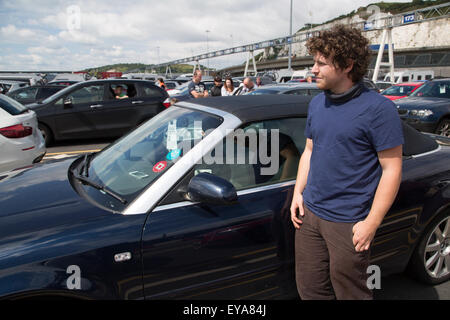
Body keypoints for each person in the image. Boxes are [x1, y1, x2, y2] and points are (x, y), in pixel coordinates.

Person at [290, 24, 404, 300]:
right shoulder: (318, 104)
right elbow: (309, 150)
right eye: (313, 62)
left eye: (321, 63)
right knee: (310, 291)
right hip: (310, 215)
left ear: (347, 64)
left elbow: (392, 169)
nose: (313, 69)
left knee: (351, 293)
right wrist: (297, 193)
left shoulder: (378, 109)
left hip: (348, 221)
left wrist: (371, 223)